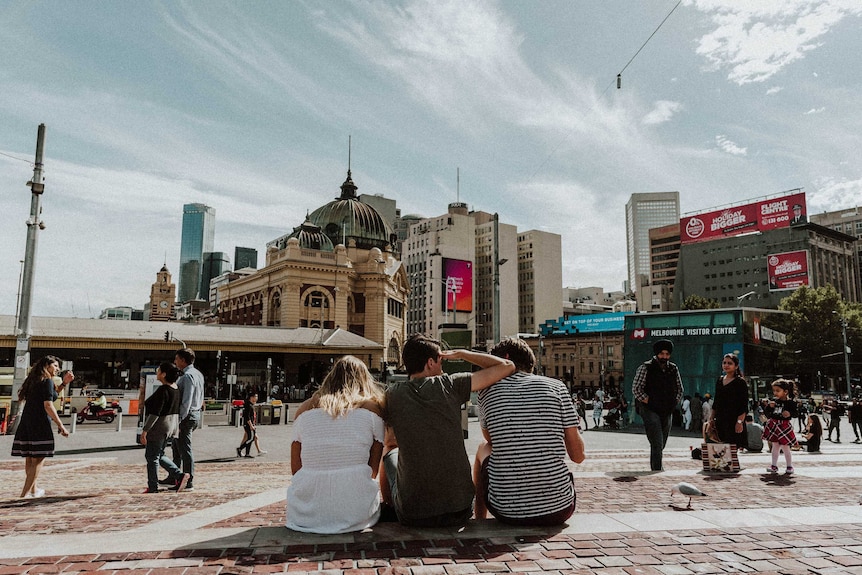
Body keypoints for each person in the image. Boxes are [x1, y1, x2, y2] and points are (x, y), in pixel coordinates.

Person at [380, 334, 515, 527]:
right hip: (459, 510)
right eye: (440, 361)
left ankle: (389, 507)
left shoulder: (392, 394)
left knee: (390, 449)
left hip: (413, 514)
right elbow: (507, 366)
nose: (442, 367)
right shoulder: (451, 385)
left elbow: (389, 440)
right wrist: (463, 354)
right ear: (430, 363)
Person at [473, 338, 585, 526]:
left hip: (506, 511)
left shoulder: (486, 392)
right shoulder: (557, 387)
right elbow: (578, 456)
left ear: (505, 359)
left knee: (481, 448)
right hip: (560, 509)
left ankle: (479, 519)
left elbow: (491, 439)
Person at [286, 355, 385, 533]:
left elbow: (296, 469)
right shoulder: (372, 410)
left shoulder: (304, 409)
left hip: (305, 513)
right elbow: (373, 470)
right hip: (356, 512)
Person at [11, 356, 73, 498]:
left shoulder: (33, 380)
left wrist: (64, 383)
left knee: (30, 458)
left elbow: (51, 395)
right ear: (47, 366)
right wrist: (60, 425)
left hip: (27, 422)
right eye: (55, 366)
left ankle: (34, 490)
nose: (57, 369)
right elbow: (48, 404)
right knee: (38, 459)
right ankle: (24, 495)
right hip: (39, 424)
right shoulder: (47, 381)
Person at [632, 339, 684, 471]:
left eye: (667, 354)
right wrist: (650, 401)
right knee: (657, 440)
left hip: (667, 409)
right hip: (649, 409)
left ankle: (657, 464)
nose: (664, 357)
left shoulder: (673, 368)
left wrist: (674, 401)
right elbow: (636, 389)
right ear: (657, 354)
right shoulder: (645, 367)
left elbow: (680, 388)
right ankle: (657, 469)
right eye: (662, 354)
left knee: (663, 440)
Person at [140, 362, 189, 493]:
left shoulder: (163, 390)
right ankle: (180, 475)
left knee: (152, 457)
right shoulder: (175, 388)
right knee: (159, 455)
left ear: (164, 374)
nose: (157, 373)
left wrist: (145, 430)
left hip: (159, 426)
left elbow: (155, 412)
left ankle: (153, 486)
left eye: (159, 371)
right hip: (171, 425)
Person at [166, 348, 204, 491]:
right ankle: (175, 476)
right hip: (195, 413)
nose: (175, 362)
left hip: (187, 416)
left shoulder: (187, 376)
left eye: (176, 359)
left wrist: (179, 420)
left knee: (184, 448)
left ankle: (188, 480)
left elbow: (186, 402)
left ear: (183, 360)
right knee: (177, 446)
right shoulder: (198, 374)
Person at [706, 354, 749, 451]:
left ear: (736, 366)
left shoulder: (740, 382)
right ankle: (724, 466)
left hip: (734, 419)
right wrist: (711, 418)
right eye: (724, 362)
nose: (726, 365)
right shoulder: (720, 380)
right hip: (721, 418)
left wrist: (739, 422)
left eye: (730, 363)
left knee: (733, 447)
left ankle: (731, 466)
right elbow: (716, 402)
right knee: (721, 447)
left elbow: (743, 404)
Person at [762, 379, 798, 474]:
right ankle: (774, 465)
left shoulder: (790, 403)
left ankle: (789, 466)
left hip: (784, 425)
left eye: (778, 391)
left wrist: (789, 413)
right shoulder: (774, 401)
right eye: (774, 390)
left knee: (786, 447)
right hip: (774, 424)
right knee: (775, 446)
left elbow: (795, 413)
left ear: (785, 392)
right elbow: (767, 414)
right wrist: (769, 407)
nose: (775, 393)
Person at [236, 391, 258, 458]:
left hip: (250, 424)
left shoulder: (250, 404)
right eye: (255, 397)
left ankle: (247, 453)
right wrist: (251, 425)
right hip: (248, 424)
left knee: (251, 437)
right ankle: (240, 449)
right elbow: (247, 416)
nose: (256, 398)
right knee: (251, 438)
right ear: (251, 397)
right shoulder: (248, 405)